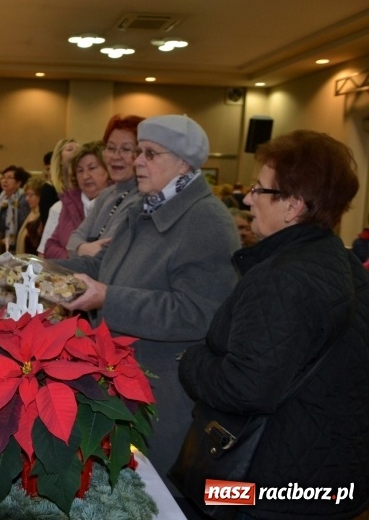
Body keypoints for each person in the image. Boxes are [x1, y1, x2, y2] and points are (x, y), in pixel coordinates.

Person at [178, 130, 369, 519]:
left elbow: (246, 387)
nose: (247, 199)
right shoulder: (340, 260)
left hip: (268, 489)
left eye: (260, 190)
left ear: (293, 206)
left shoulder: (282, 278)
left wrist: (191, 361)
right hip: (328, 481)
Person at [58, 114, 240, 487]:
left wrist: (109, 298)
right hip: (121, 381)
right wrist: (35, 268)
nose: (137, 160)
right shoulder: (147, 206)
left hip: (163, 395)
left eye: (150, 153)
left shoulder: (206, 221)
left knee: (153, 495)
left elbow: (199, 312)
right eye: (139, 151)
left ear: (183, 163)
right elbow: (101, 264)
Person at [66, 114, 144, 258]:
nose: (116, 156)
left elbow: (106, 254)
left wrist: (80, 248)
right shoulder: (107, 194)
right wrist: (83, 248)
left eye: (126, 149)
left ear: (142, 154)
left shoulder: (141, 199)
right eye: (111, 148)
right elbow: (72, 240)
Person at [43, 141, 110, 259]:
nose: (85, 176)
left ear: (108, 170)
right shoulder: (69, 203)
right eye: (80, 170)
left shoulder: (118, 202)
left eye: (92, 168)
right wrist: (75, 256)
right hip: (68, 274)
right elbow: (50, 246)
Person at [38, 138, 78, 255]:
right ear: (59, 159)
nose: (75, 152)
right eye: (70, 149)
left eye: (78, 149)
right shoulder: (50, 190)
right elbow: (48, 240)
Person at [0, 165, 31, 254]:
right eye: (3, 177)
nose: (5, 180)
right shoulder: (2, 197)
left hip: (16, 245)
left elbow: (22, 224)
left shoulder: (23, 199)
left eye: (9, 178)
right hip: (1, 243)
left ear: (18, 183)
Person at [16, 175, 48, 255]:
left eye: (30, 195)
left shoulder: (42, 217)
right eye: (26, 195)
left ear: (40, 195)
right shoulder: (31, 213)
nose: (27, 199)